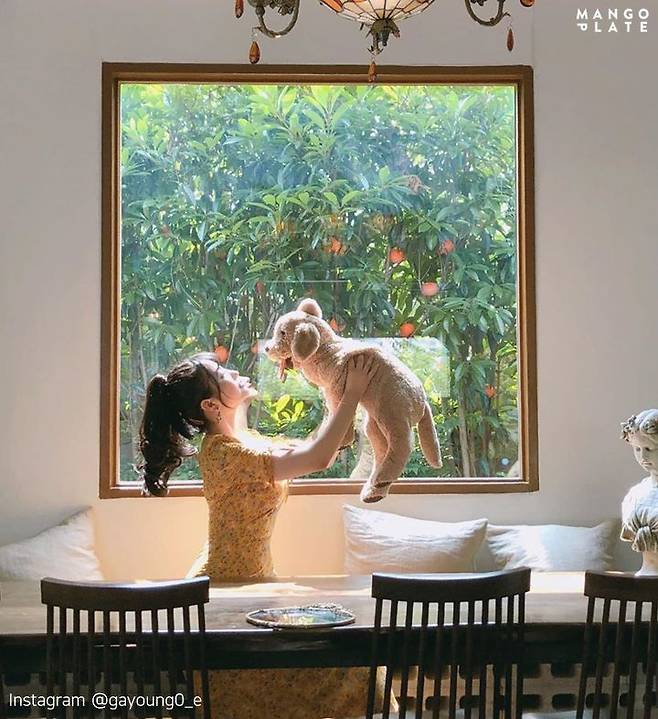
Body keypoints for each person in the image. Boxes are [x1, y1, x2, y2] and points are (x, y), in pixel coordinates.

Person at [139, 351, 394, 719]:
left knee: (353, 659)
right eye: (222, 373)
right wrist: (352, 392)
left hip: (250, 585)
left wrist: (335, 387)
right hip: (226, 590)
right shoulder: (225, 454)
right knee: (350, 665)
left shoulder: (244, 442)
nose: (234, 370)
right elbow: (318, 458)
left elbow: (322, 446)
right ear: (211, 405)